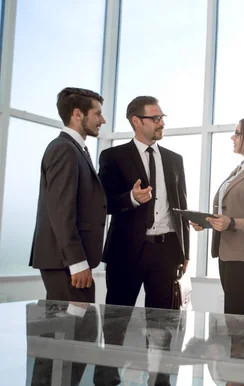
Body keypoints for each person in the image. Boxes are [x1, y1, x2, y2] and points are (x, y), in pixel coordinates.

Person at [94, 96, 189, 386]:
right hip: (127, 252)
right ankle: (107, 373)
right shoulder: (113, 157)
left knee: (162, 322)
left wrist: (184, 252)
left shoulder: (174, 160)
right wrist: (132, 198)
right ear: (137, 121)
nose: (162, 123)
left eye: (162, 117)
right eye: (156, 118)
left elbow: (180, 204)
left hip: (166, 252)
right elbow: (103, 203)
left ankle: (159, 377)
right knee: (116, 317)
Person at [29, 86, 106, 386]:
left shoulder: (76, 150)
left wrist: (130, 198)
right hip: (67, 266)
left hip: (69, 264)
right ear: (77, 114)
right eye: (97, 113)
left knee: (72, 341)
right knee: (65, 343)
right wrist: (77, 263)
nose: (101, 120)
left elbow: (87, 204)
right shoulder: (64, 149)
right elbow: (61, 211)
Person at [192, 117, 244, 316]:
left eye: (237, 133)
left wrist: (231, 223)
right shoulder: (240, 169)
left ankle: (240, 347)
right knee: (240, 313)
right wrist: (208, 222)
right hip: (227, 251)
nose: (232, 137)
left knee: (235, 315)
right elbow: (229, 209)